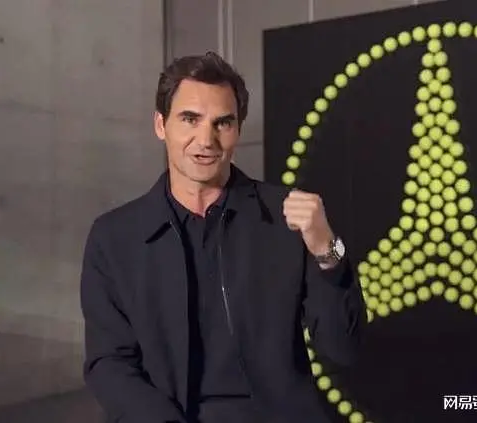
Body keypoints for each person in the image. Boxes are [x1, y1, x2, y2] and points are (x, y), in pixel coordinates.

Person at [80, 51, 366, 423]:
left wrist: (326, 249)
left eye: (223, 123)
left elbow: (344, 349)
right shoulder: (114, 237)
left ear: (238, 130)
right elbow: (109, 363)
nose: (206, 139)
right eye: (190, 119)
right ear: (160, 125)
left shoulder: (287, 217)